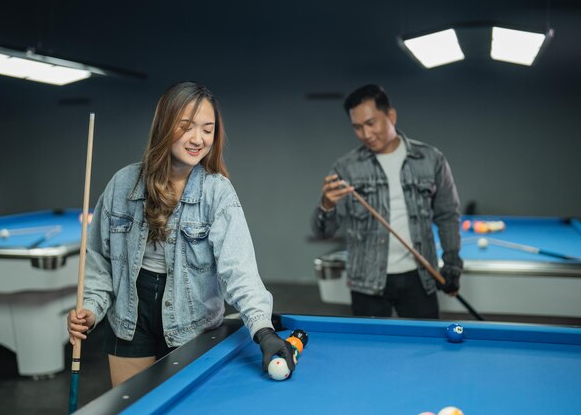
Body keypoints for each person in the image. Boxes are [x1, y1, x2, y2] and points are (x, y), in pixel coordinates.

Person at [68, 81, 294, 387]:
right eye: (186, 126)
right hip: (130, 316)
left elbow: (238, 271)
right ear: (164, 126)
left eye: (207, 129)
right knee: (132, 408)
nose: (198, 139)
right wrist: (90, 310)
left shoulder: (217, 192)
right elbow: (98, 262)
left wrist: (262, 330)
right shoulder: (123, 183)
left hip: (193, 323)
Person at [312, 84, 462, 319]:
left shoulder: (431, 159)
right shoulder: (345, 168)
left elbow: (447, 215)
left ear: (391, 115)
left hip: (419, 277)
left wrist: (452, 264)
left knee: (424, 350)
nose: (366, 134)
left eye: (371, 123)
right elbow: (323, 232)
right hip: (367, 282)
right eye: (358, 127)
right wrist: (326, 206)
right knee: (370, 352)